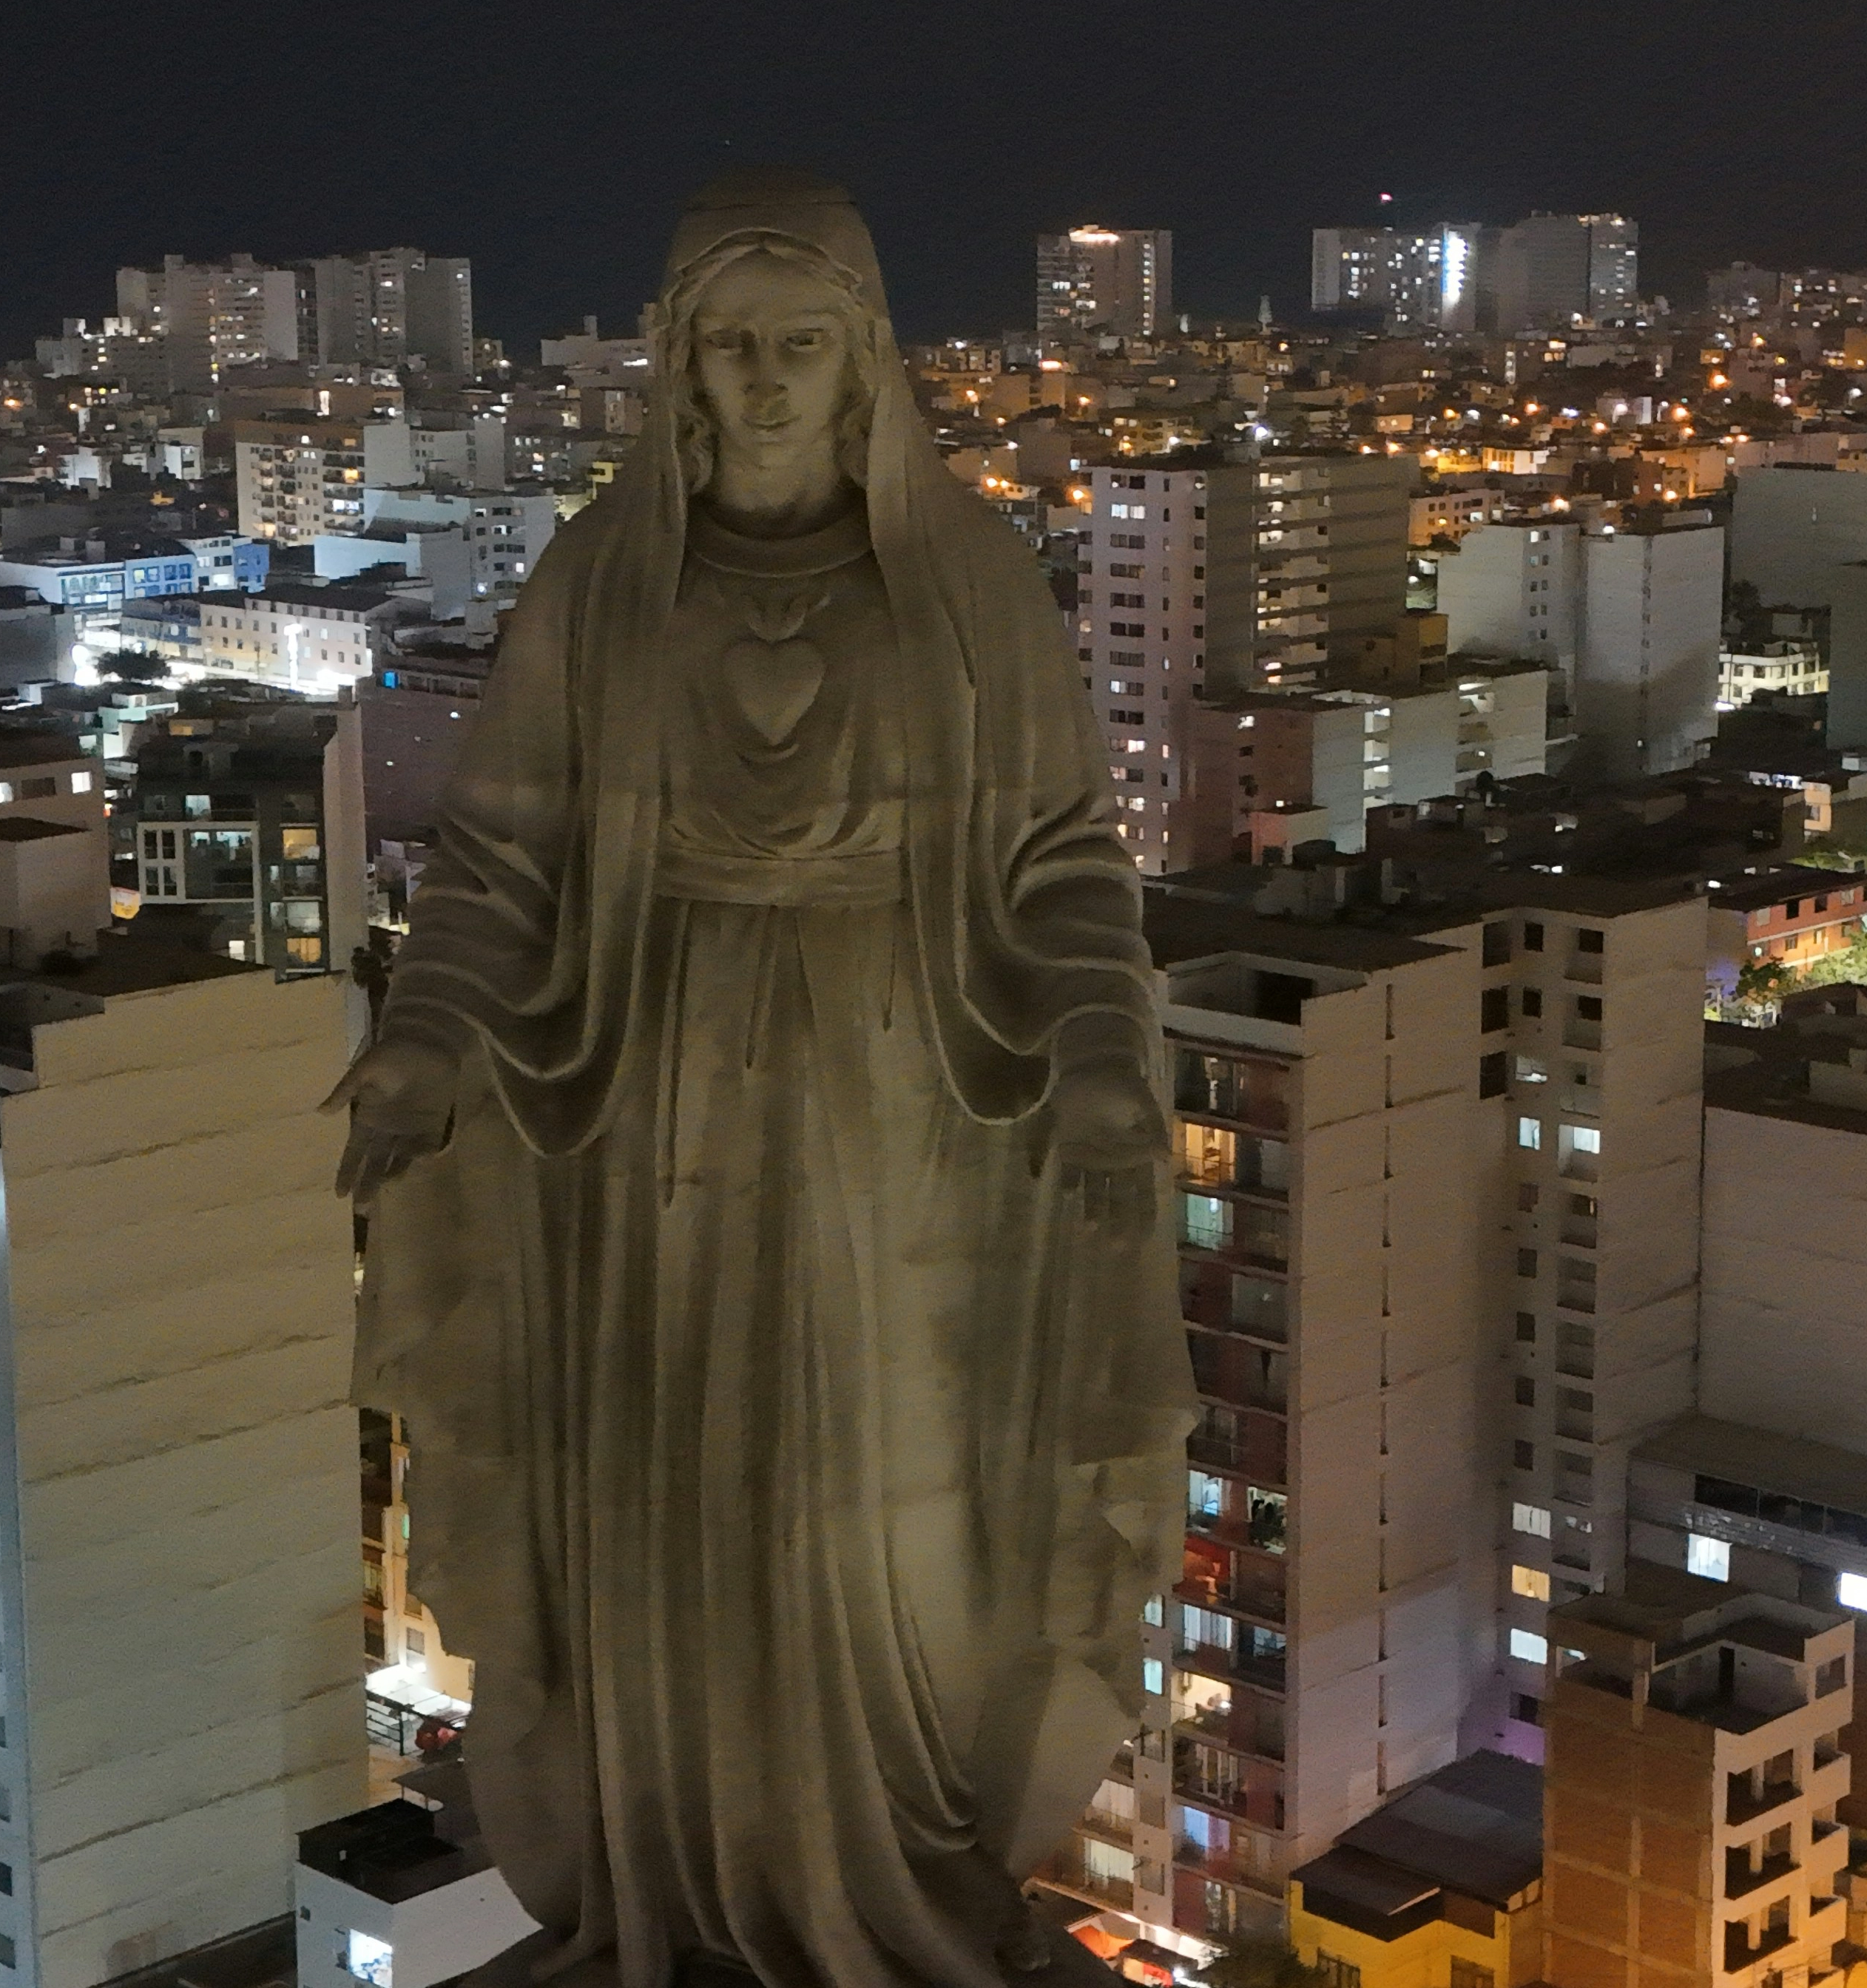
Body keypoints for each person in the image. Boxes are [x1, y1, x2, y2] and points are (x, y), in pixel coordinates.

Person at [339, 168, 1186, 1988]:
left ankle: (881, 1861)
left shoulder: (962, 582)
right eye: (737, 345)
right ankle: (681, 1869)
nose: (774, 379)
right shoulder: (603, 578)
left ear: (865, 358)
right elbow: (498, 860)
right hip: (645, 1108)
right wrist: (423, 1041)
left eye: (809, 342)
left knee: (888, 1507)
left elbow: (1056, 857)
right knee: (666, 1498)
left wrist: (1107, 1051)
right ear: (683, 367)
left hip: (904, 1112)